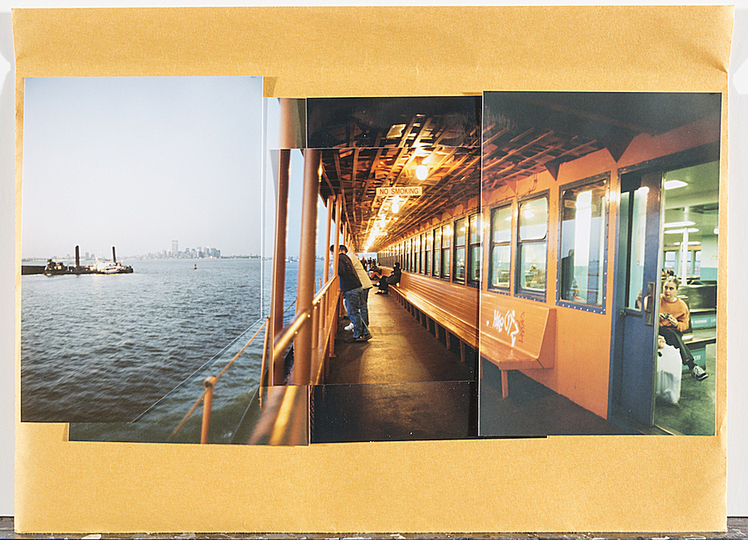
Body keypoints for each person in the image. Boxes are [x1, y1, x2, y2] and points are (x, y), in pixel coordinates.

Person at [659, 275, 708, 380]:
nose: (667, 291)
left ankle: (691, 366)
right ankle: (692, 366)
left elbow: (685, 325)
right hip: (658, 330)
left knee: (672, 335)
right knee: (671, 335)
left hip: (673, 332)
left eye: (671, 288)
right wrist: (655, 316)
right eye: (666, 287)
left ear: (677, 290)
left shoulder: (681, 305)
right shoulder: (658, 299)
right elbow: (645, 302)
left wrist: (676, 324)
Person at [330, 245, 370, 342]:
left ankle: (358, 335)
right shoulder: (346, 257)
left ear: (333, 252)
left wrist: (332, 265)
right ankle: (365, 333)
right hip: (357, 286)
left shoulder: (339, 259)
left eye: (331, 254)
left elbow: (340, 271)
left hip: (351, 288)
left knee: (353, 312)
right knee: (356, 312)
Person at [342, 246, 373, 333]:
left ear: (343, 251)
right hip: (364, 284)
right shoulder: (351, 256)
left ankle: (363, 328)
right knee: (362, 306)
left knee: (361, 307)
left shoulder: (350, 258)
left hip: (363, 285)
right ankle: (362, 326)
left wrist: (332, 265)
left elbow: (343, 270)